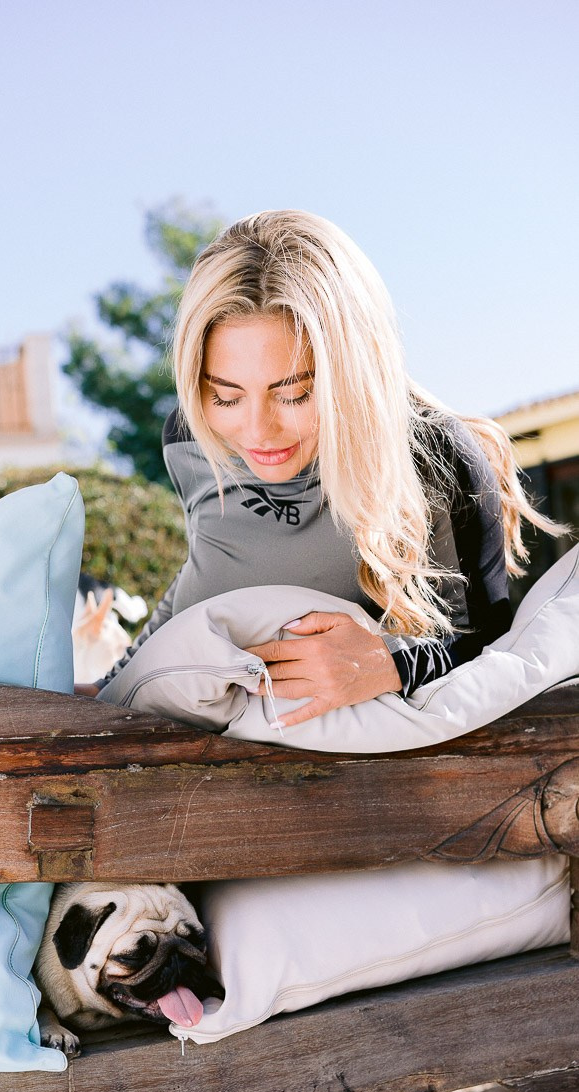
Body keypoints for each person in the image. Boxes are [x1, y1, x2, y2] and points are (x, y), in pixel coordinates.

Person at [79, 210, 562, 728]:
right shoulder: (189, 437)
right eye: (226, 395)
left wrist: (389, 664)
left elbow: (491, 644)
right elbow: (204, 567)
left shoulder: (435, 457)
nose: (258, 432)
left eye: (294, 394)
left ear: (351, 371)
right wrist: (108, 688)